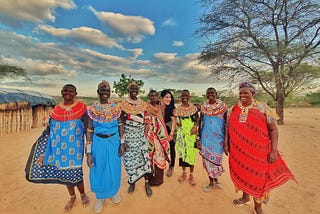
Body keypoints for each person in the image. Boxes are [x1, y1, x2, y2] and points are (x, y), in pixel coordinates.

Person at [224, 82, 296, 214]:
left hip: (259, 153)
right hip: (238, 151)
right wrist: (226, 143)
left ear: (253, 93)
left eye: (246, 92)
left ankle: (258, 206)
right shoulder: (233, 109)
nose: (242, 95)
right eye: (240, 93)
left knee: (258, 177)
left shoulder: (263, 108)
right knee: (242, 173)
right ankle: (245, 197)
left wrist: (273, 151)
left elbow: (273, 130)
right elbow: (228, 127)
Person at [25, 84, 89, 212]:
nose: (68, 93)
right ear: (61, 92)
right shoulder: (55, 112)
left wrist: (89, 147)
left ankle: (83, 195)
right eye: (65, 91)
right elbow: (49, 132)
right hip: (58, 148)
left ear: (75, 94)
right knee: (64, 173)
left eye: (71, 91)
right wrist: (44, 152)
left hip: (75, 148)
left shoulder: (82, 109)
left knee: (76, 172)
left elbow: (87, 128)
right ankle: (72, 197)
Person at [86, 81, 123, 213]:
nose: (105, 92)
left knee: (114, 167)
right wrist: (89, 152)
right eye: (102, 89)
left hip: (114, 142)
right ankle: (100, 197)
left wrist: (122, 143)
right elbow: (89, 130)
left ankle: (113, 192)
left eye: (107, 90)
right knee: (98, 168)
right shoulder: (92, 110)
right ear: (98, 92)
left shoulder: (116, 108)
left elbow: (120, 125)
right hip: (98, 142)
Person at [118, 80, 152, 197]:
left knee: (145, 161)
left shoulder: (143, 104)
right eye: (131, 88)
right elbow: (121, 123)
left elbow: (147, 120)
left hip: (141, 137)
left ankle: (147, 183)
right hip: (128, 138)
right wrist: (122, 141)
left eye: (135, 88)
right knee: (129, 162)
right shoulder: (123, 105)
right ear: (128, 90)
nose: (134, 90)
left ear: (138, 90)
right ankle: (132, 182)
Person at [198, 87, 227, 192]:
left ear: (216, 94)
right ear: (206, 95)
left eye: (212, 93)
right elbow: (201, 123)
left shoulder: (223, 107)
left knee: (216, 161)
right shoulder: (203, 108)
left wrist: (226, 141)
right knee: (208, 160)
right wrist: (199, 138)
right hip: (206, 138)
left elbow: (226, 124)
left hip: (218, 139)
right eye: (208, 93)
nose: (210, 94)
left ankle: (216, 179)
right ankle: (211, 182)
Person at [145, 90, 171, 186]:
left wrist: (166, 135)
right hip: (149, 136)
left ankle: (158, 180)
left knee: (160, 156)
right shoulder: (145, 108)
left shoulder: (160, 108)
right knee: (149, 157)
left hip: (160, 137)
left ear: (157, 97)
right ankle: (149, 180)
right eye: (151, 95)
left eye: (155, 95)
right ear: (149, 97)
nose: (153, 97)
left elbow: (162, 122)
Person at [175, 89, 199, 186]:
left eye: (186, 96)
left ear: (189, 97)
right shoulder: (177, 109)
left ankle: (191, 175)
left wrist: (195, 127)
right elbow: (177, 122)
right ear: (181, 97)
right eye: (183, 96)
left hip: (191, 135)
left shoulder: (193, 109)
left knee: (191, 155)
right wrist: (177, 120)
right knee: (182, 155)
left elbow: (197, 120)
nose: (185, 97)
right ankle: (184, 173)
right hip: (181, 136)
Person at [160, 89, 176, 177]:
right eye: (166, 97)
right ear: (161, 98)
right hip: (159, 129)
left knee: (171, 147)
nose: (169, 99)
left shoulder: (172, 107)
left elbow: (173, 121)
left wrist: (171, 134)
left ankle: (171, 166)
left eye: (170, 97)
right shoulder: (157, 106)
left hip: (169, 128)